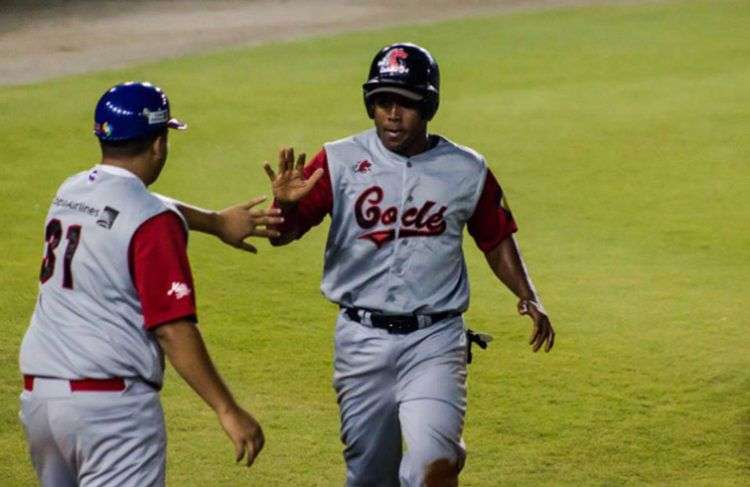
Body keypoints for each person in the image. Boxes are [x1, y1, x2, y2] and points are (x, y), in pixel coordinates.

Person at [262, 43, 556, 486]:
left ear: (429, 106)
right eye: (383, 102)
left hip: (435, 340)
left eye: (406, 104)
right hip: (360, 340)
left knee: (427, 465)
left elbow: (495, 238)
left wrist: (528, 295)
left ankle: (443, 453)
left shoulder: (465, 169)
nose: (393, 115)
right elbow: (283, 236)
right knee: (368, 477)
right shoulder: (339, 161)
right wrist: (283, 207)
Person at [18, 81, 277, 486]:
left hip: (41, 403)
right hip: (110, 416)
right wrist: (227, 409)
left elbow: (141, 205)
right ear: (158, 144)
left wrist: (215, 222)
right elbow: (173, 329)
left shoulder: (70, 191)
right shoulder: (154, 224)